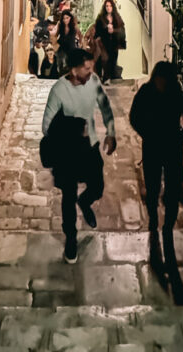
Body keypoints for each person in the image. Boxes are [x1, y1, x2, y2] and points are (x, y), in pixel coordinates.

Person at [41, 48, 116, 263]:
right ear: (73, 70)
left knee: (98, 187)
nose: (91, 72)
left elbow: (105, 106)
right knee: (68, 195)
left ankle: (86, 202)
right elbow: (47, 126)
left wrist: (111, 133)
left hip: (89, 145)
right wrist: (73, 127)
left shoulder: (93, 82)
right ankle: (71, 238)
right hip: (66, 151)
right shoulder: (58, 91)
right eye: (87, 68)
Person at [129, 60, 183, 267]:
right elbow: (134, 117)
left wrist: (181, 137)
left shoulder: (177, 94)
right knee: (152, 185)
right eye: (159, 79)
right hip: (151, 147)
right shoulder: (146, 92)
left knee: (173, 186)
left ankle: (167, 227)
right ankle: (152, 221)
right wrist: (146, 134)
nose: (161, 83)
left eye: (164, 79)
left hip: (172, 148)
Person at [92, 0, 127, 83]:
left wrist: (113, 30)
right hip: (104, 44)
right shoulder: (101, 18)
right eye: (107, 6)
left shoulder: (117, 17)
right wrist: (105, 30)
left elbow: (121, 29)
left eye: (110, 6)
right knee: (105, 61)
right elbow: (97, 31)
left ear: (113, 7)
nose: (108, 7)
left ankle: (111, 79)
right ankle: (105, 79)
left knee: (113, 61)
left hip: (114, 44)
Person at [55, 10, 82, 75]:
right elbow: (56, 35)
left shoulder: (74, 26)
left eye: (67, 18)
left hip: (71, 47)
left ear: (70, 18)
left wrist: (80, 44)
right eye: (64, 18)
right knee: (60, 62)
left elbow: (80, 35)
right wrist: (55, 44)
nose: (65, 20)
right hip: (62, 46)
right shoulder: (60, 24)